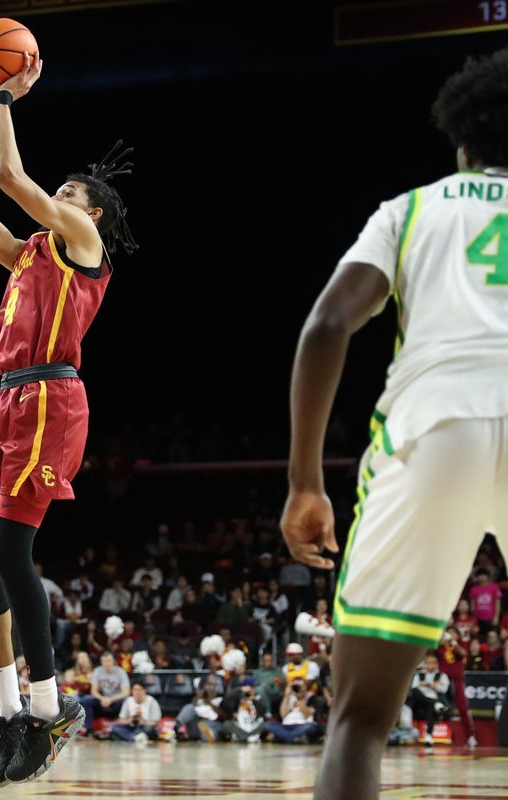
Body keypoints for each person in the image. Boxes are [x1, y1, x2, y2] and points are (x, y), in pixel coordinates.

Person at [281, 49, 508, 800]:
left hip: (434, 425)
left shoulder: (413, 209)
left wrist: (305, 483)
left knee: (361, 717)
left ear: (461, 141)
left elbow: (324, 327)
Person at [0, 51, 137, 787]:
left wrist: (4, 97)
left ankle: (51, 708)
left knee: (8, 556)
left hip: (53, 399)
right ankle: (10, 711)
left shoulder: (84, 247)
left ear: (89, 213)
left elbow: (8, 179)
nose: (51, 197)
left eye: (65, 192)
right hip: (4, 399)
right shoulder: (27, 253)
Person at [408, 653, 450, 746]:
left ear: (437, 664)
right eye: (428, 663)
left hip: (434, 701)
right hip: (419, 703)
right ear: (425, 663)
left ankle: (428, 736)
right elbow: (414, 688)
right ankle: (435, 704)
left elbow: (444, 689)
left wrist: (428, 684)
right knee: (415, 691)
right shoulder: (418, 675)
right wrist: (432, 684)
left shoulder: (442, 676)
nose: (431, 665)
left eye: (433, 663)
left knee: (431, 707)